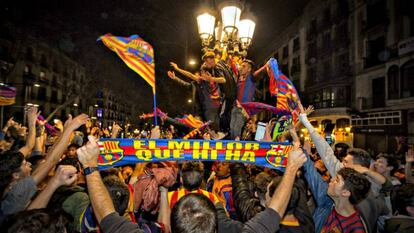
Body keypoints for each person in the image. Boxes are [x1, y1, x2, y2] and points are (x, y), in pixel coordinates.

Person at [0, 112, 88, 217]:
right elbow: (51, 161)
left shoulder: (11, 186)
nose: (28, 163)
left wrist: (65, 131)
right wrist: (71, 128)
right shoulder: (16, 193)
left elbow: (48, 159)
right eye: (24, 164)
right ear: (15, 175)